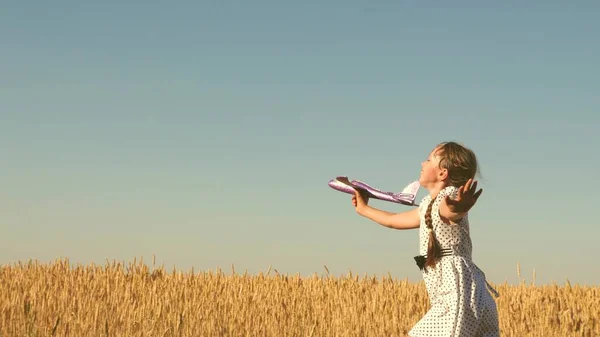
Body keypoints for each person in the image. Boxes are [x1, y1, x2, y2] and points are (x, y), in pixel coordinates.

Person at [351, 141, 500, 337]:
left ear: (442, 173)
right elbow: (393, 220)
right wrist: (364, 209)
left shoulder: (449, 196)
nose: (423, 163)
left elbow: (450, 211)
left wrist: (459, 207)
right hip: (463, 294)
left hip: (458, 293)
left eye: (429, 159)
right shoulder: (427, 205)